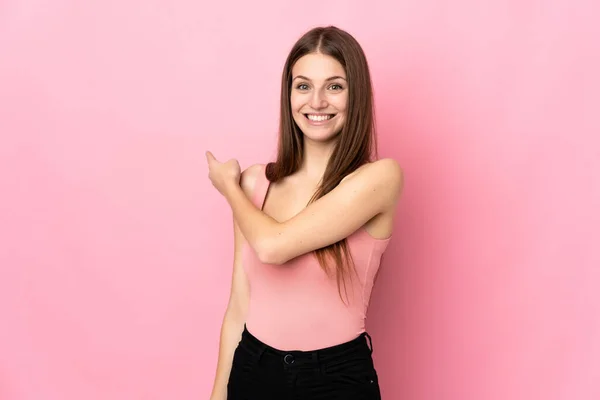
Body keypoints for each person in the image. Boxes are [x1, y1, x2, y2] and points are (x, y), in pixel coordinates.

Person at [205, 25, 403, 400]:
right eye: (303, 86)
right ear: (289, 94)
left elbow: (272, 247)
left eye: (334, 86)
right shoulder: (255, 185)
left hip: (335, 378)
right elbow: (239, 305)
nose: (316, 102)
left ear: (355, 94)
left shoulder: (380, 179)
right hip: (252, 367)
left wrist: (227, 188)